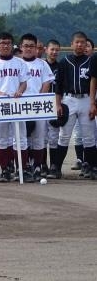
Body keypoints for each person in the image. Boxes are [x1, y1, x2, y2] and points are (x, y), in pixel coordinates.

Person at [0, 32, 30, 182]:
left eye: (8, 43)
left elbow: (24, 82)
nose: (5, 45)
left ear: (12, 45)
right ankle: (5, 170)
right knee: (1, 138)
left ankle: (22, 169)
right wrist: (0, 93)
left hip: (16, 103)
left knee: (20, 138)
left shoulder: (20, 62)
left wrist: (20, 92)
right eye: (2, 43)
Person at [55, 31, 96, 179]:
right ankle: (56, 167)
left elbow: (94, 82)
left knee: (89, 136)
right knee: (64, 135)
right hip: (69, 99)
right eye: (77, 42)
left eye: (82, 42)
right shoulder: (64, 61)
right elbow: (58, 85)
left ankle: (92, 168)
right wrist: (58, 104)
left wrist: (93, 103)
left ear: (86, 45)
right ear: (71, 44)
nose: (79, 44)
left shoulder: (91, 61)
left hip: (86, 99)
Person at [19, 33, 54, 182]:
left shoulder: (42, 64)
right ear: (21, 47)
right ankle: (24, 167)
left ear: (36, 48)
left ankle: (38, 167)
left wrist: (38, 99)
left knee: (39, 138)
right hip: (20, 104)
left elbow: (47, 82)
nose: (28, 48)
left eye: (31, 46)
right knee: (21, 139)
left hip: (37, 103)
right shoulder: (16, 63)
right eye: (25, 46)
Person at [43, 39, 62, 178]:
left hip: (55, 102)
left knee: (54, 136)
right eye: (52, 49)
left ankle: (54, 166)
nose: (54, 52)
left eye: (56, 50)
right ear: (46, 50)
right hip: (41, 102)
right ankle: (42, 164)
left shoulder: (61, 66)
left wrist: (59, 103)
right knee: (41, 136)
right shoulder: (41, 65)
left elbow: (62, 87)